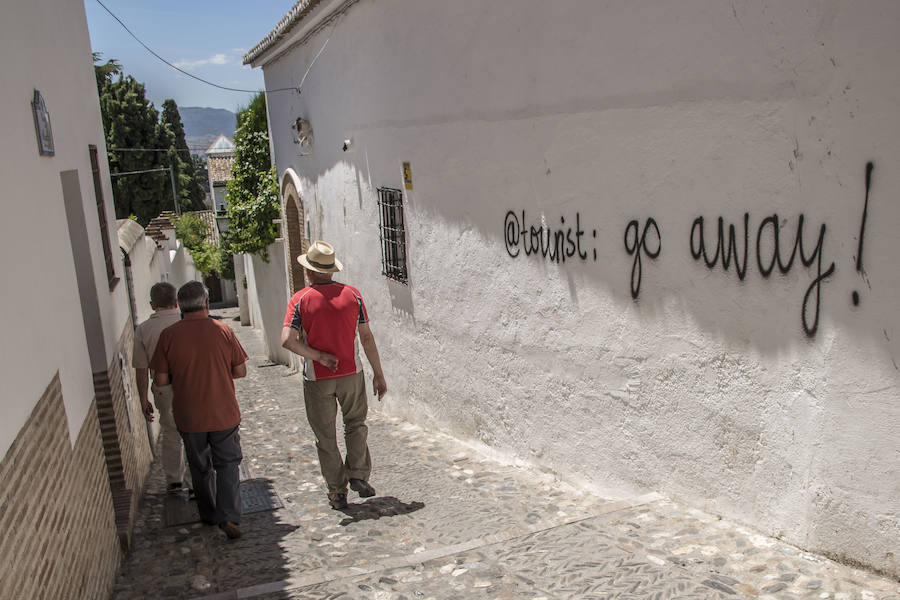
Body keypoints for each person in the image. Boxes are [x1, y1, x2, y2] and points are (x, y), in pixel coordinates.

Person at [281, 241, 387, 510]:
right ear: (331, 270)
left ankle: (337, 491)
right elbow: (366, 337)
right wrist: (378, 374)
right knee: (356, 425)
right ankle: (358, 474)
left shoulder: (300, 300)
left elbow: (287, 341)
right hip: (352, 373)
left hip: (318, 378)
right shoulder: (353, 295)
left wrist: (317, 356)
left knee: (325, 436)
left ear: (309, 272)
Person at [150, 281, 249, 539]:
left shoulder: (168, 336)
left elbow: (160, 380)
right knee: (228, 464)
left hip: (188, 414)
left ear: (180, 306)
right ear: (206, 303)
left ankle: (209, 514)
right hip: (223, 411)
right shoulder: (223, 330)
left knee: (200, 465)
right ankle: (230, 516)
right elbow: (240, 370)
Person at [132, 282, 191, 495]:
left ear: (151, 304)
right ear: (176, 302)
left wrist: (143, 398)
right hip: (189, 383)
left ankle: (174, 480)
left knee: (170, 431)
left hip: (162, 388)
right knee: (194, 431)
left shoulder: (143, 330)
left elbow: (140, 369)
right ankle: (195, 482)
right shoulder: (186, 321)